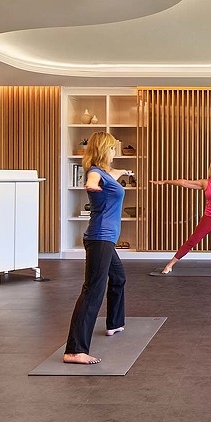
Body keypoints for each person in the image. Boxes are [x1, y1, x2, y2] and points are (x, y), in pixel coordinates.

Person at [63, 132, 134, 365]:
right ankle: (75, 350)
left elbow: (113, 173)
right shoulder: (95, 172)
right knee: (92, 290)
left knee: (118, 278)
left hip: (106, 239)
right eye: (112, 148)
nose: (115, 152)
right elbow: (92, 181)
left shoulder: (107, 172)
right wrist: (91, 186)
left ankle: (114, 323)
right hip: (100, 238)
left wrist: (126, 172)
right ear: (104, 150)